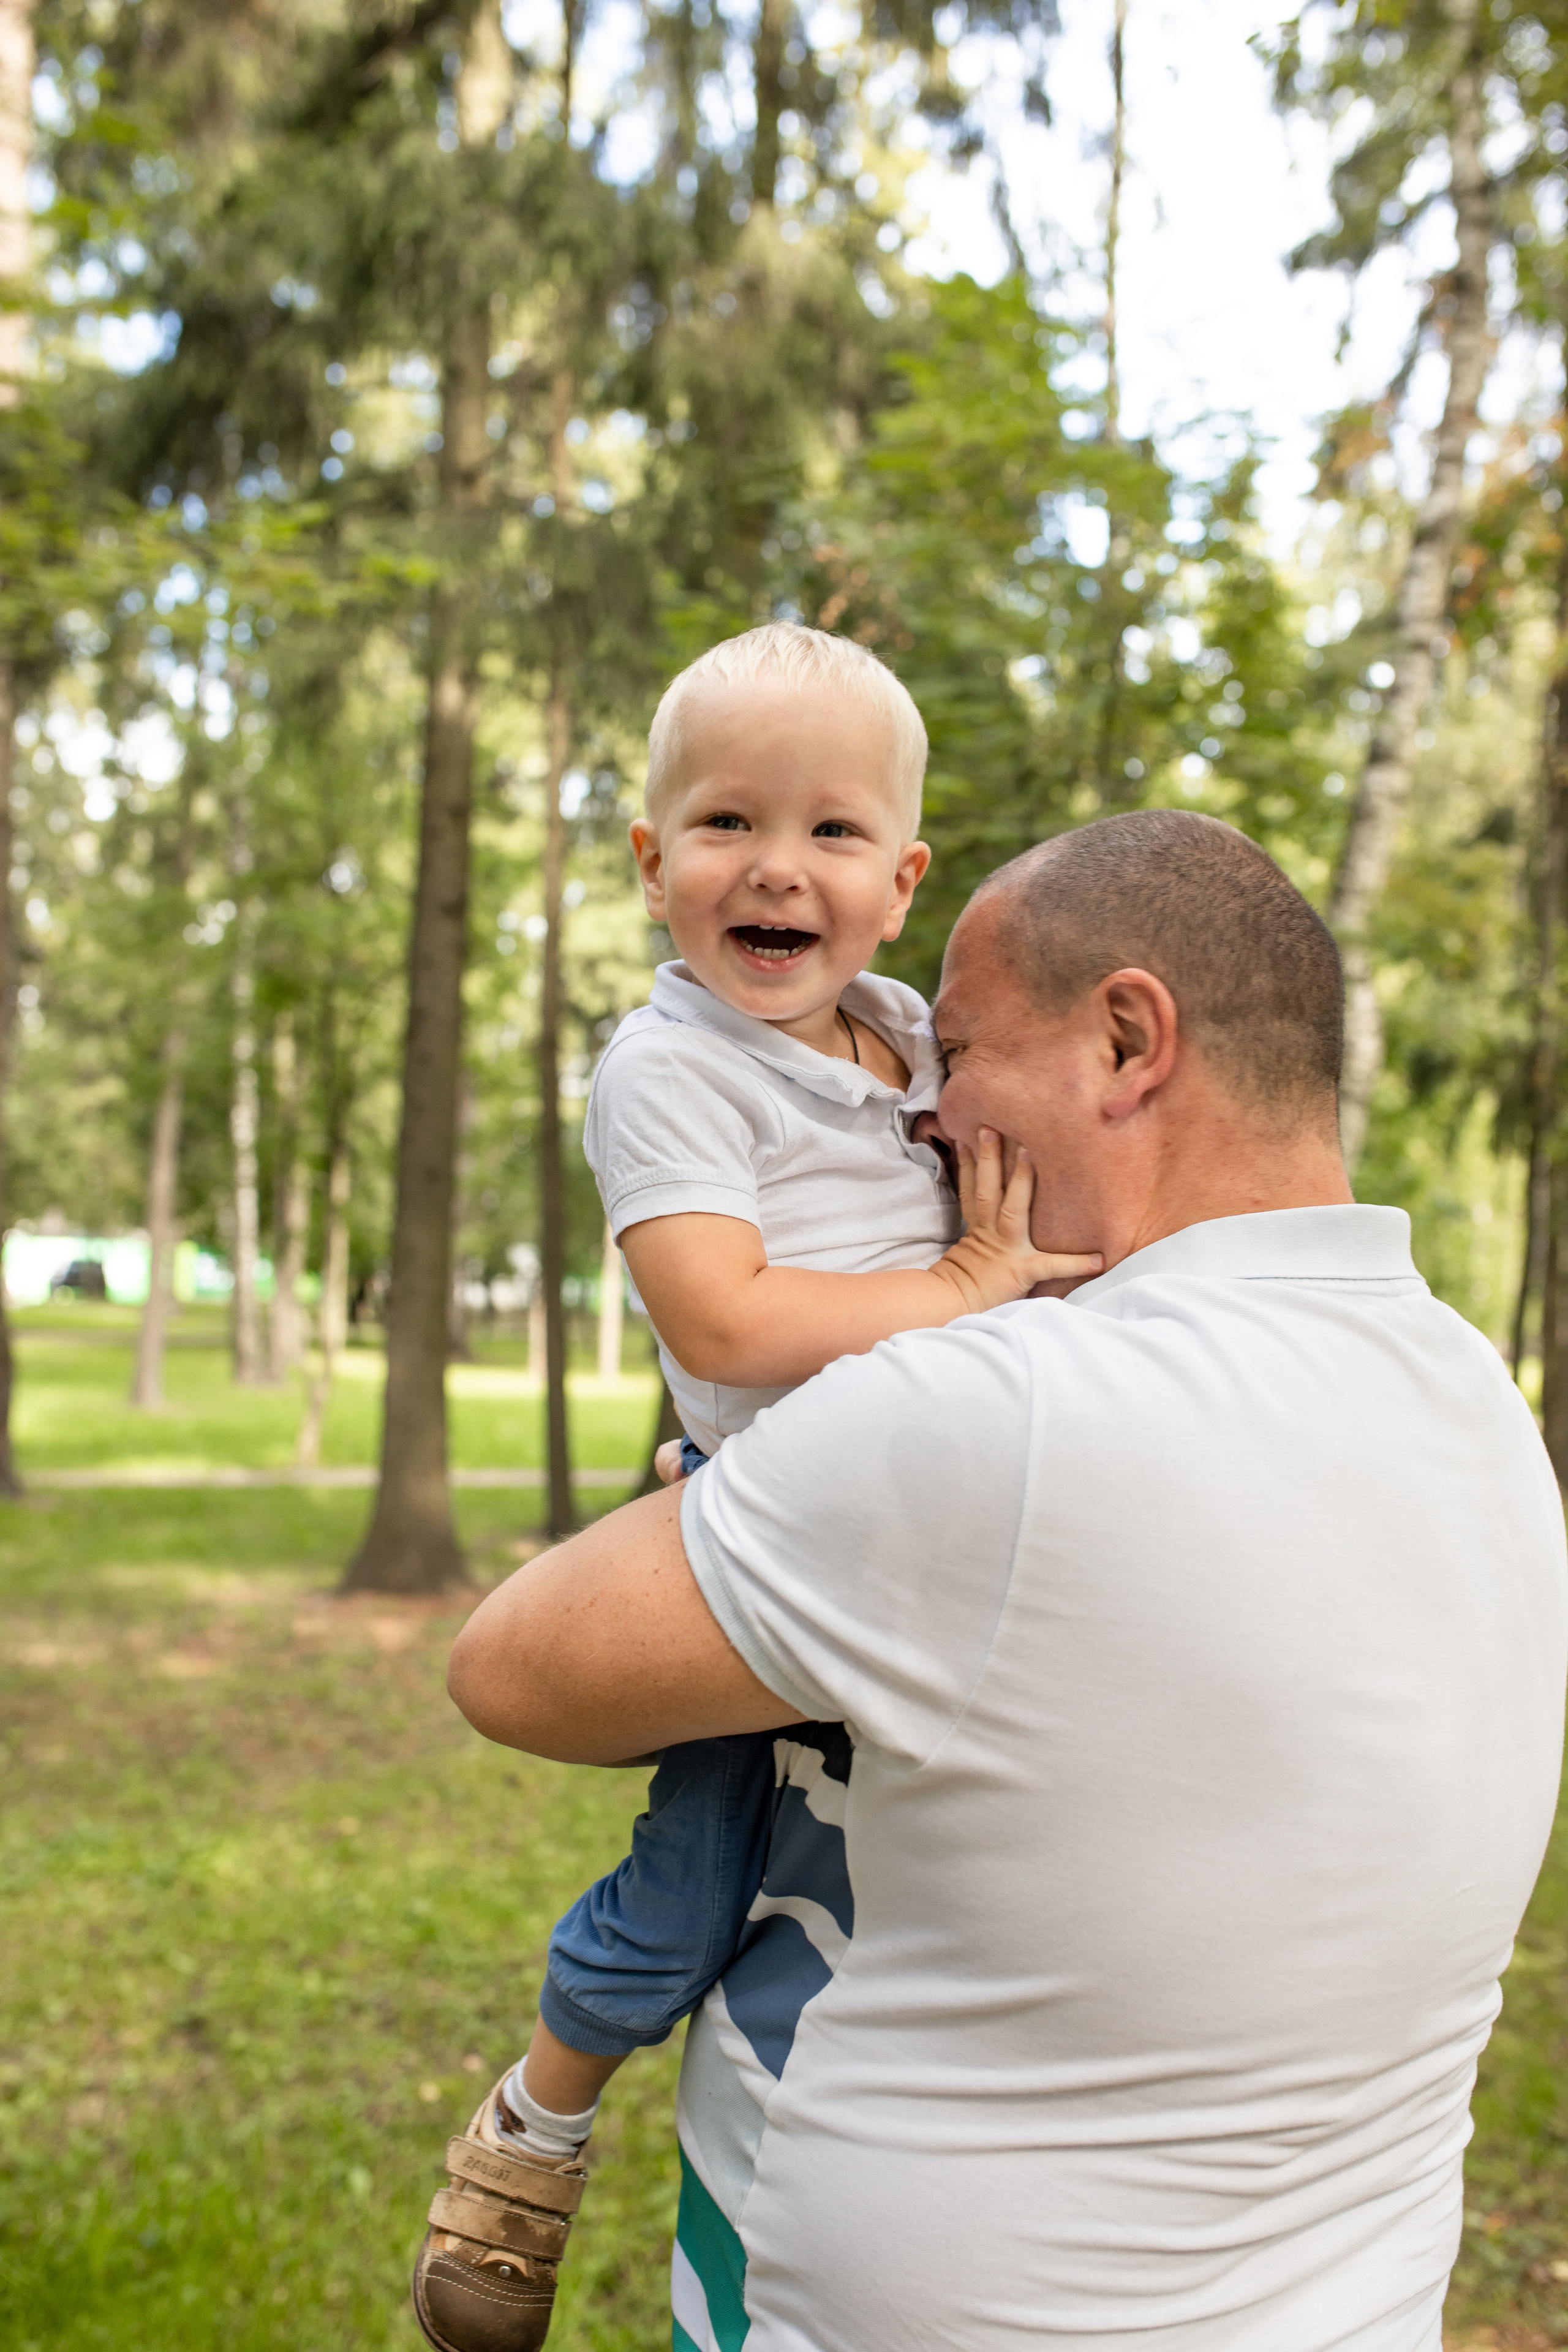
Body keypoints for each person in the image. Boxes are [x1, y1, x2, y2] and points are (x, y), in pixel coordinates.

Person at [445, 808, 1568, 2352]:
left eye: (956, 1055)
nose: (920, 1117)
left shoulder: (998, 1414)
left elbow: (514, 1667)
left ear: (1123, 1042)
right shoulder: (1469, 1398)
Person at [410, 624, 1098, 2352]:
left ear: (901, 880)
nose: (776, 866)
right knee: (698, 1878)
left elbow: (1011, 1214)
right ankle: (538, 2120)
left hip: (917, 1509)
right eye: (723, 824)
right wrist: (956, 1301)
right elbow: (717, 1308)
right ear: (651, 867)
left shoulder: (910, 1032)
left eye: (833, 833)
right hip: (771, 1516)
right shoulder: (673, 1072)